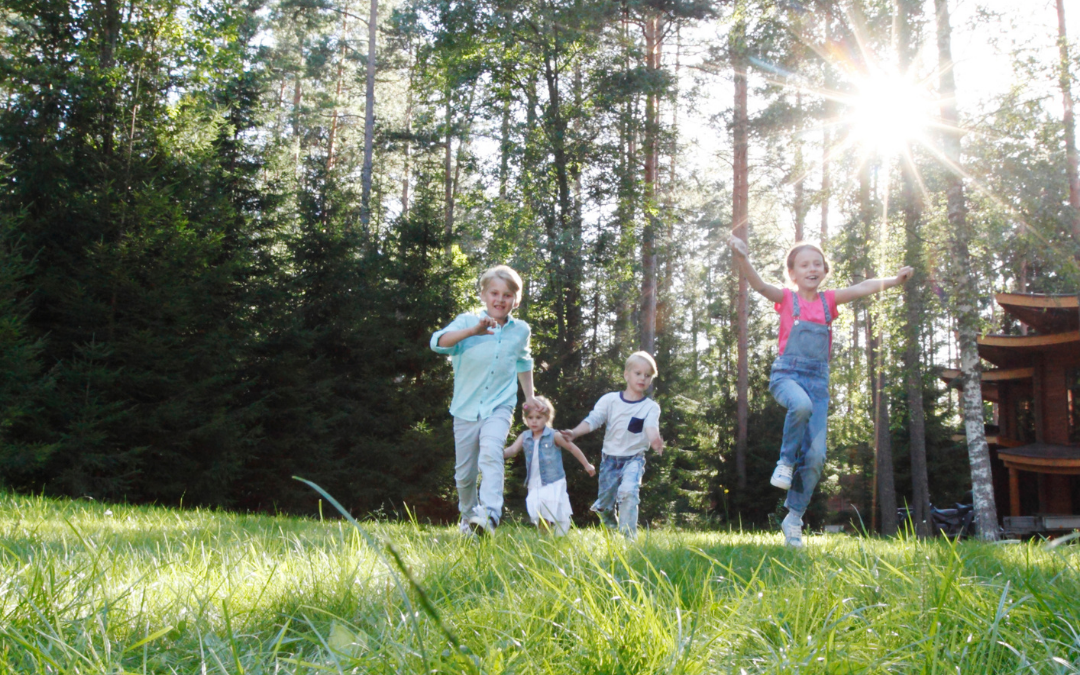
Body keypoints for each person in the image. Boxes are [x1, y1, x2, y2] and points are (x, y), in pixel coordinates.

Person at [728, 235, 912, 547]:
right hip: (786, 376)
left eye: (817, 263)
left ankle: (794, 517)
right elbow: (759, 285)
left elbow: (863, 287)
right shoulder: (787, 299)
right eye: (804, 264)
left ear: (824, 270)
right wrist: (744, 258)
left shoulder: (829, 301)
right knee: (799, 406)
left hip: (818, 383)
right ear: (793, 273)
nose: (812, 268)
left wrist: (894, 280)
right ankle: (785, 462)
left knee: (815, 456)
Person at [431, 265, 545, 537]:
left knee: (492, 453)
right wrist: (473, 332)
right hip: (465, 409)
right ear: (483, 294)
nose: (500, 300)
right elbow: (437, 342)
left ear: (516, 300)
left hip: (499, 405)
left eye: (507, 295)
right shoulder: (466, 321)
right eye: (494, 293)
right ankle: (469, 518)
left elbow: (523, 360)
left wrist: (529, 396)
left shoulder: (521, 330)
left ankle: (490, 515)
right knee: (464, 475)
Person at [561, 352, 664, 539]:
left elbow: (650, 427)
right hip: (610, 460)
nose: (642, 378)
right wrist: (574, 432)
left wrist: (656, 440)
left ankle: (627, 539)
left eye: (647, 375)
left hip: (634, 458)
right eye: (638, 373)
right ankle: (610, 527)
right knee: (604, 506)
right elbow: (594, 420)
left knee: (629, 493)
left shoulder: (650, 407)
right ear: (626, 374)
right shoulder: (610, 400)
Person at [503, 395, 596, 536]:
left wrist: (587, 464)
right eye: (530, 418)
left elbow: (572, 448)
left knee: (546, 507)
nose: (534, 421)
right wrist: (494, 454)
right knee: (539, 509)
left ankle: (548, 537)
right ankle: (544, 537)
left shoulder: (554, 435)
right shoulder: (525, 436)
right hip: (534, 482)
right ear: (526, 419)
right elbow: (512, 450)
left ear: (546, 418)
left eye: (538, 417)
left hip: (553, 480)